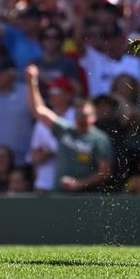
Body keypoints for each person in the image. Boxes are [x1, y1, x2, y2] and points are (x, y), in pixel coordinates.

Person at [25, 65, 113, 193]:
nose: (81, 119)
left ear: (94, 117)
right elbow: (38, 110)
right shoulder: (65, 130)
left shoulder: (100, 139)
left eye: (84, 115)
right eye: (78, 115)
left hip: (87, 199)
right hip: (59, 196)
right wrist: (31, 82)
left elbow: (105, 172)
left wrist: (79, 184)